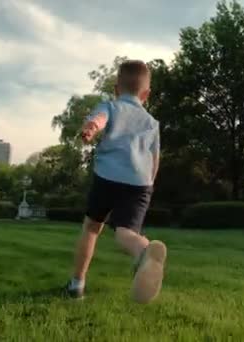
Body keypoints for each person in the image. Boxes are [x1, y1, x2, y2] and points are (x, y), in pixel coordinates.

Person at [64, 60, 167, 304]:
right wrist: (149, 184)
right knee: (126, 232)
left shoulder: (111, 106)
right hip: (140, 183)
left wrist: (91, 128)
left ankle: (76, 285)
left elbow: (99, 119)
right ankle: (143, 251)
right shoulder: (152, 123)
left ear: (116, 89)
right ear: (147, 94)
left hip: (108, 177)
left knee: (91, 228)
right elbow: (155, 159)